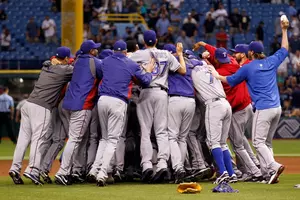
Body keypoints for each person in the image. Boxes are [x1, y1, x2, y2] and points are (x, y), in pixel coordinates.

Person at [209, 18, 289, 184]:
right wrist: (284, 30)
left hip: (264, 108)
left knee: (258, 142)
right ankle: (270, 174)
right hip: (277, 108)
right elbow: (285, 48)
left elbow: (229, 80)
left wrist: (216, 75)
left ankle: (273, 166)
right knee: (267, 142)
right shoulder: (271, 61)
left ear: (250, 53)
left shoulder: (248, 67)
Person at [88, 40, 154, 187]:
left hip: (102, 100)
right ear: (125, 52)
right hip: (118, 101)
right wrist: (148, 70)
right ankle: (102, 173)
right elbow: (145, 81)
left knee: (104, 139)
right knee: (112, 140)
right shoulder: (130, 63)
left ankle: (94, 169)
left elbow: (99, 73)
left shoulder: (104, 61)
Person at [9, 47, 73, 185]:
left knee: (23, 140)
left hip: (28, 104)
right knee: (39, 140)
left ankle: (15, 168)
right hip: (41, 107)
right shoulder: (64, 70)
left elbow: (55, 62)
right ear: (67, 58)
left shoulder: (47, 66)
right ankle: (32, 170)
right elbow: (78, 68)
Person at [129, 30, 186, 183]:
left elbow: (124, 60)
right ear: (156, 40)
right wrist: (179, 54)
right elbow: (181, 70)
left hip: (145, 93)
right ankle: (162, 165)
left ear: (143, 42)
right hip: (161, 92)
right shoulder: (166, 54)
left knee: (146, 131)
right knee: (162, 131)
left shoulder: (138, 55)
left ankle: (147, 165)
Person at [55, 40, 102, 185]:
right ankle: (63, 172)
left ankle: (73, 171)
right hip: (82, 104)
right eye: (95, 49)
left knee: (76, 139)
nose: (96, 50)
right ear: (91, 51)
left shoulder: (76, 62)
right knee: (75, 139)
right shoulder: (94, 62)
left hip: (69, 103)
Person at [163, 44, 195, 184]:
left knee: (172, 137)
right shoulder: (188, 62)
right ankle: (180, 170)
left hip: (176, 99)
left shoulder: (169, 62)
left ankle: (178, 168)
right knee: (182, 138)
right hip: (191, 101)